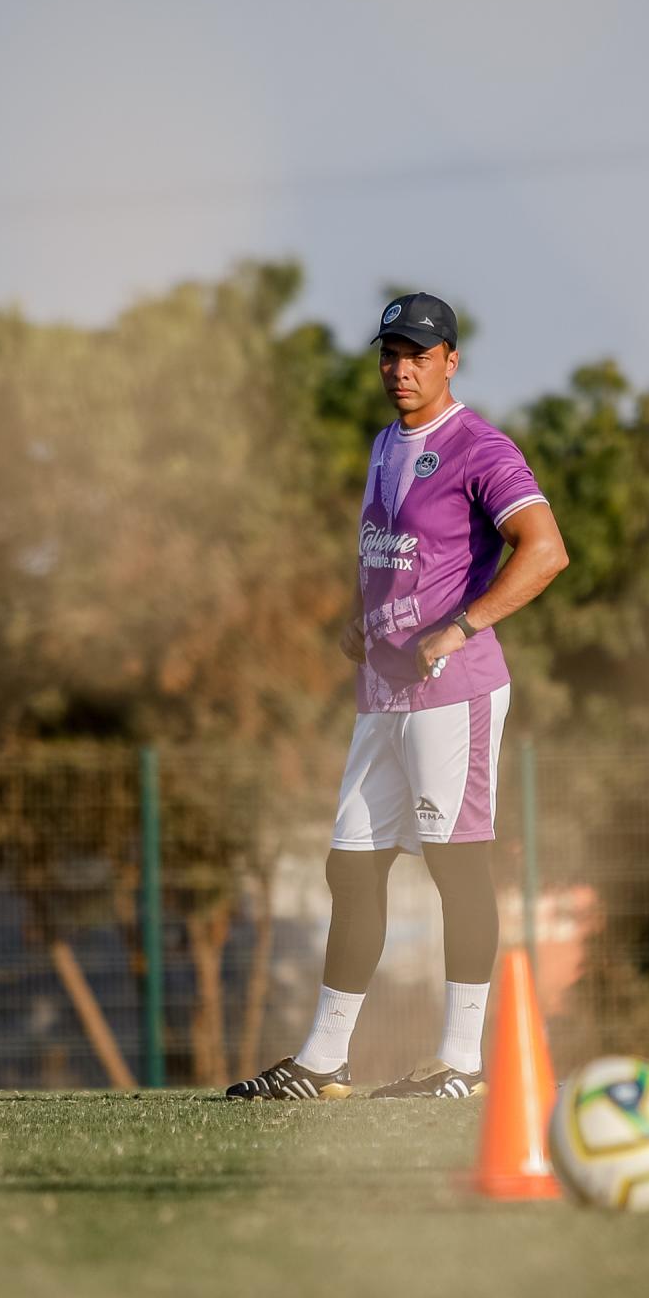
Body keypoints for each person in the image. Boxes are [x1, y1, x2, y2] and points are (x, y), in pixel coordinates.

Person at [228, 292, 568, 1101]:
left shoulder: (480, 447)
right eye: (390, 353)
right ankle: (323, 1061)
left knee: (456, 864)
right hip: (381, 695)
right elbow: (394, 554)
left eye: (418, 353)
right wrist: (361, 620)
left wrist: (461, 627)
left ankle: (461, 1062)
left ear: (452, 360)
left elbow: (546, 550)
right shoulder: (385, 443)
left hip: (455, 694)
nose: (401, 368)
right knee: (350, 868)